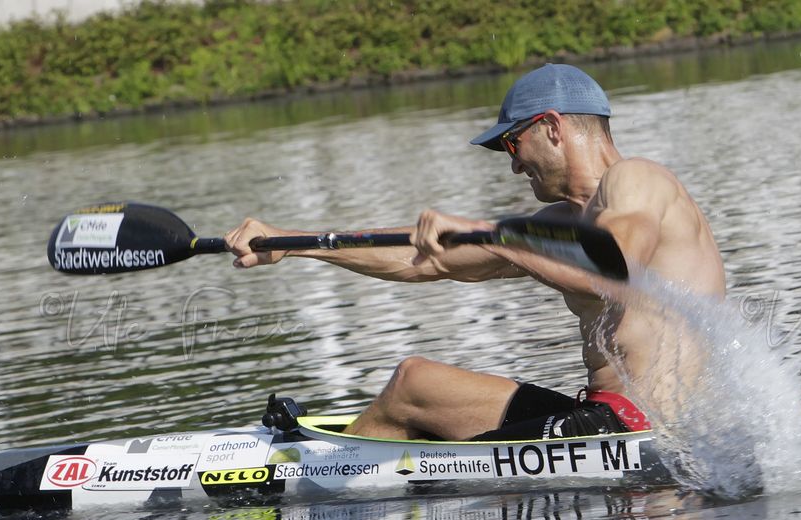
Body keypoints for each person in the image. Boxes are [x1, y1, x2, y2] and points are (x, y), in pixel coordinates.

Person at [225, 63, 725, 441]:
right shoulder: (562, 226)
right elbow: (426, 259)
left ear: (551, 128)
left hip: (643, 427)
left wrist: (495, 235)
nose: (513, 167)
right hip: (608, 418)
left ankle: (321, 477)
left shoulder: (636, 179)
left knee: (412, 384)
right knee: (417, 383)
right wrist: (293, 244)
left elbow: (613, 267)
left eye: (512, 144)